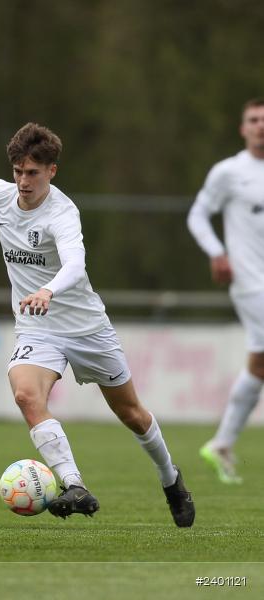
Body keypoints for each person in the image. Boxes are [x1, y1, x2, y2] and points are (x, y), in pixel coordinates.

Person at [0, 123, 194, 527]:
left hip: (86, 327)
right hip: (37, 328)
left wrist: (48, 291)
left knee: (132, 414)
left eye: (33, 173)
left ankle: (171, 479)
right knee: (25, 395)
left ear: (52, 171)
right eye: (18, 171)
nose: (23, 181)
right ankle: (74, 484)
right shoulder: (1, 194)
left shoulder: (62, 212)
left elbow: (76, 264)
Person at [188, 98, 264, 485]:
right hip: (251, 283)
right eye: (253, 119)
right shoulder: (230, 172)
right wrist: (217, 252)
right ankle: (221, 442)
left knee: (259, 365)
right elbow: (197, 214)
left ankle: (221, 444)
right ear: (243, 127)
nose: (260, 126)